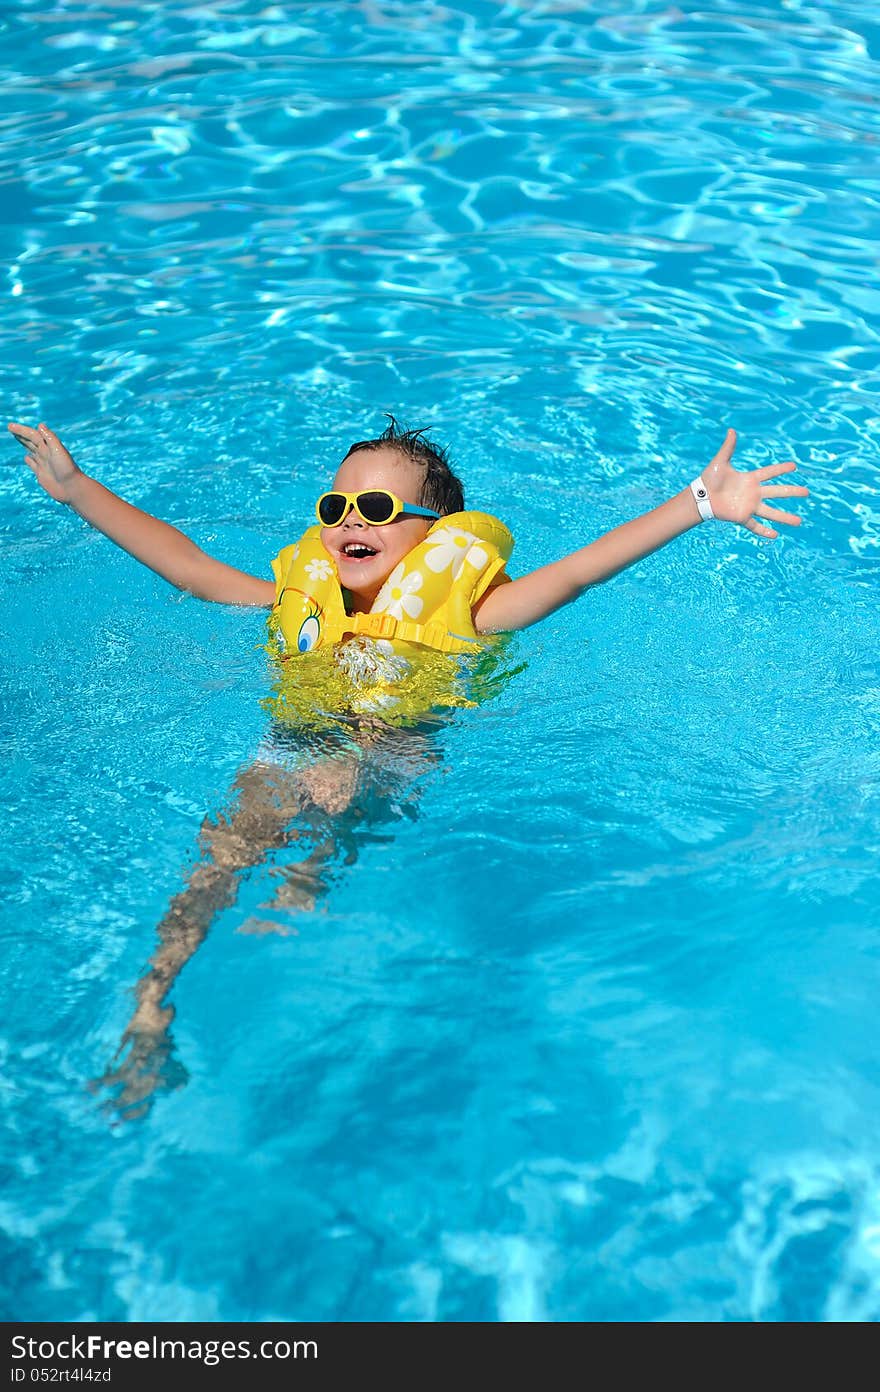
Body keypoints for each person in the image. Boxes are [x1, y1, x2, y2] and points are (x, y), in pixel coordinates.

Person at [7, 416, 809, 1115]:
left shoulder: (477, 610)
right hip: (298, 739)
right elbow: (187, 567)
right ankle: (152, 998)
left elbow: (578, 571)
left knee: (352, 787)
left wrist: (699, 504)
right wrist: (77, 489)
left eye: (378, 508)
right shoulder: (302, 597)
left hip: (394, 754)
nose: (351, 520)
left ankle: (315, 870)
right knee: (221, 852)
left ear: (437, 532)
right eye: (337, 507)